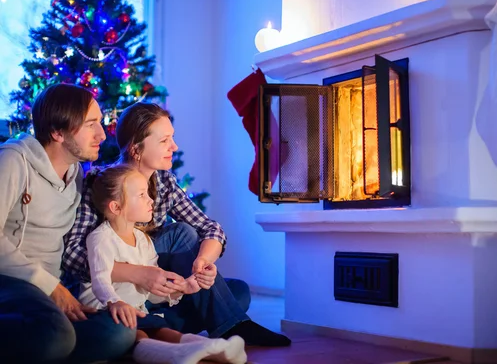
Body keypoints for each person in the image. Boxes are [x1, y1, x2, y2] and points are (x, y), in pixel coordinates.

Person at [63, 101, 291, 346]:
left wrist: (203, 263)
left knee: (238, 293)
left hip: (155, 290)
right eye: (164, 141)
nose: (174, 146)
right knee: (182, 234)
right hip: (111, 289)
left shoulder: (164, 183)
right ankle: (221, 325)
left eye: (172, 138)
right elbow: (73, 254)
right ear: (136, 149)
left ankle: (148, 323)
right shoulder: (100, 183)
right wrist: (140, 273)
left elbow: (211, 229)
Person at [0, 84, 136, 363]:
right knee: (56, 336)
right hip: (11, 284)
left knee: (120, 331)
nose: (102, 133)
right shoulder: (14, 161)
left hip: (51, 290)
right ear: (57, 132)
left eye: (100, 122)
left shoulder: (76, 176)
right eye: (91, 124)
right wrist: (49, 286)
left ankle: (48, 347)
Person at [81, 164, 247, 364]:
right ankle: (180, 353)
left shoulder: (143, 241)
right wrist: (114, 302)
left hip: (137, 309)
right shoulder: (100, 239)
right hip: (103, 308)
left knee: (159, 327)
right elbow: (99, 279)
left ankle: (214, 349)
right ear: (116, 207)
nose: (151, 199)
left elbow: (151, 291)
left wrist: (182, 289)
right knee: (140, 331)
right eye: (142, 195)